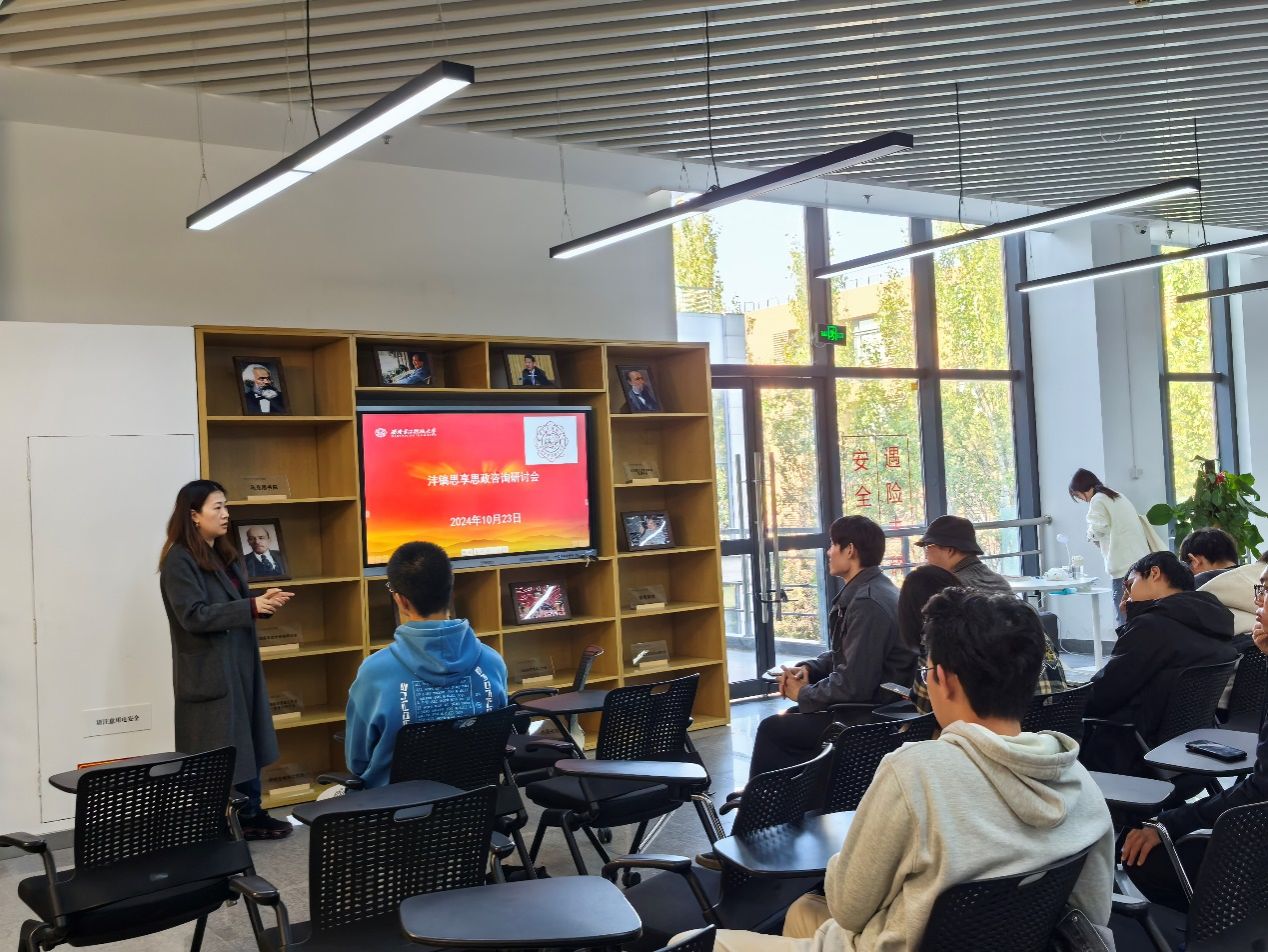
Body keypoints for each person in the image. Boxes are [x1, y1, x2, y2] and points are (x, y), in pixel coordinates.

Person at [705, 589, 1115, 952]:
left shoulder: (915, 772)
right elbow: (1095, 912)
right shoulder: (1076, 778)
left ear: (943, 679)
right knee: (803, 912)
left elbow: (848, 907)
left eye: (926, 671)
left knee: (698, 942)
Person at [1120, 560, 1267, 911]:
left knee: (1145, 857)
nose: (1257, 600)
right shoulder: (1218, 622)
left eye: (1265, 590)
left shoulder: (1152, 628)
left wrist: (1169, 824)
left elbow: (1261, 790)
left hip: (1148, 758)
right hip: (1185, 764)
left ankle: (1222, 927)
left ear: (1154, 574)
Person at [158, 479, 294, 839]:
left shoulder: (222, 553)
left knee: (247, 741)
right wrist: (250, 607)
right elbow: (194, 615)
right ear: (194, 515)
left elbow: (232, 606)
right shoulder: (179, 560)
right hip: (209, 672)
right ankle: (222, 823)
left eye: (225, 506)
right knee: (220, 749)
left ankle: (250, 813)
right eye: (217, 507)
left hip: (239, 665)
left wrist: (261, 605)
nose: (225, 514)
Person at [748, 516, 915, 779]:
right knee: (789, 719)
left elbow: (853, 685)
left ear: (850, 550)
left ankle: (765, 802)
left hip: (869, 717)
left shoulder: (867, 603)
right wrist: (810, 669)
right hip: (873, 707)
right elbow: (849, 653)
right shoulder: (876, 589)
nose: (828, 552)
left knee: (773, 728)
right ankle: (792, 797)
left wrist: (804, 694)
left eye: (833, 544)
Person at [345, 541, 509, 788]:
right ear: (451, 589)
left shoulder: (374, 671)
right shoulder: (492, 661)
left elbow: (357, 761)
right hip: (474, 802)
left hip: (394, 807)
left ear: (401, 600)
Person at [1080, 551, 1237, 774]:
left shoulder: (1152, 626)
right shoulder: (1214, 619)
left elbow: (1104, 695)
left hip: (1132, 756)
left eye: (1130, 584)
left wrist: (1068, 703)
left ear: (1154, 573)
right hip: (1191, 756)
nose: (1127, 596)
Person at [897, 566, 1069, 715]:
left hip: (1006, 732)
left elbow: (926, 714)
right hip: (1056, 726)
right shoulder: (1023, 626)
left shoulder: (947, 645)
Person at [1069, 468, 1154, 620]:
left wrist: (1089, 535)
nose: (1080, 499)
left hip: (1123, 567)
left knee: (1124, 615)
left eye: (1077, 494)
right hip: (1141, 562)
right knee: (1142, 613)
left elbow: (1097, 529)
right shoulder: (1116, 495)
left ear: (1083, 488)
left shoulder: (1098, 500)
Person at [914, 515, 1012, 593]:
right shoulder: (1000, 582)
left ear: (950, 550)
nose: (926, 556)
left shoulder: (950, 589)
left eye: (927, 547)